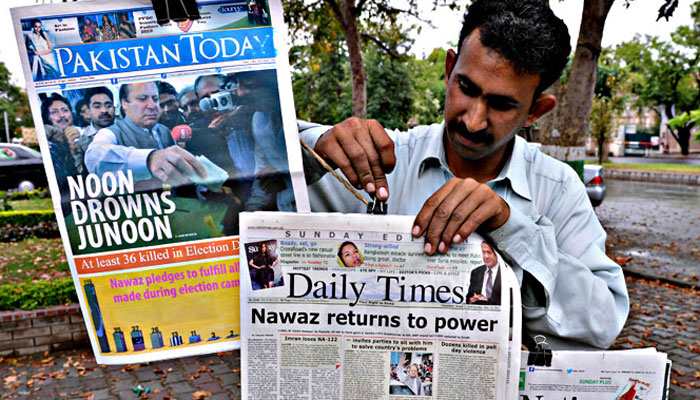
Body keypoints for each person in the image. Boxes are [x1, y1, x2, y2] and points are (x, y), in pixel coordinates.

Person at [300, 0, 628, 350]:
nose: (473, 121)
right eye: (467, 88)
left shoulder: (557, 189)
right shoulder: (382, 161)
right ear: (449, 69)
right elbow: (248, 172)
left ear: (535, 110)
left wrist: (511, 229)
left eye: (502, 104)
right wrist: (313, 146)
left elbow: (603, 322)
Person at [85, 81, 206, 188]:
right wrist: (149, 159)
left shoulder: (165, 131)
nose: (152, 105)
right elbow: (94, 157)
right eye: (143, 99)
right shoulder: (110, 133)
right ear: (124, 103)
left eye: (155, 99)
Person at [74, 87, 116, 175]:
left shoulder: (126, 129)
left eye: (108, 106)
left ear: (114, 108)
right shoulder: (81, 142)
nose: (104, 110)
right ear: (89, 111)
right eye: (97, 106)